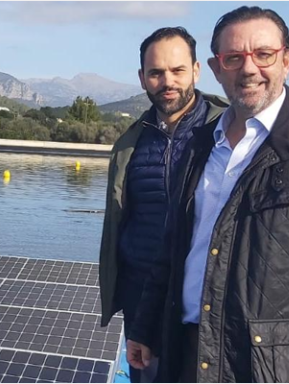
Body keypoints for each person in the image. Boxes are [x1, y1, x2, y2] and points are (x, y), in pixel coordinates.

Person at [126, 6, 289, 383]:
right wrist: (146, 326)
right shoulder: (200, 145)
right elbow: (173, 250)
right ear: (216, 69)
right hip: (187, 352)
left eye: (263, 54)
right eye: (234, 58)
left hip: (268, 368)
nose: (249, 68)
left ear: (287, 60)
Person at [98, 27, 228, 383]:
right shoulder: (131, 143)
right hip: (141, 300)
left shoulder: (227, 134)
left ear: (197, 70)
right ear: (142, 78)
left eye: (177, 70)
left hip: (206, 306)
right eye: (156, 73)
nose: (167, 81)